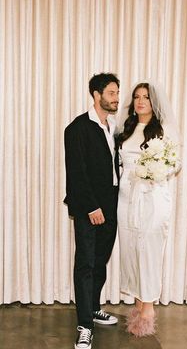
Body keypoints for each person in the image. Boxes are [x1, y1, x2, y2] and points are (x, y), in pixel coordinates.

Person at [117, 81, 181, 337]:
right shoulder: (127, 128)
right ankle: (138, 302)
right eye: (136, 97)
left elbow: (175, 164)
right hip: (125, 198)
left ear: (154, 102)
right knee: (131, 249)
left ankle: (148, 309)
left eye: (146, 97)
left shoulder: (164, 130)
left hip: (152, 197)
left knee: (149, 249)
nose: (141, 101)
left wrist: (154, 171)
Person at [64, 72, 120, 349]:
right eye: (111, 93)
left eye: (117, 93)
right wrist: (91, 207)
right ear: (97, 95)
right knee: (86, 263)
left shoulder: (113, 128)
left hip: (112, 203)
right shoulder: (77, 128)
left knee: (101, 260)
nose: (116, 98)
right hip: (90, 206)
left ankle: (93, 307)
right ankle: (84, 325)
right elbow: (77, 172)